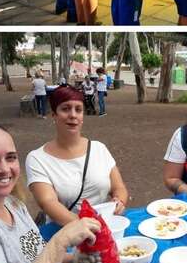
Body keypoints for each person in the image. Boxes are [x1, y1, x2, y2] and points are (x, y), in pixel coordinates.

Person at [0, 121, 102, 263]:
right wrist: (61, 240)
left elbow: (39, 257)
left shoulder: (13, 203)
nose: (5, 169)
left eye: (11, 157)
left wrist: (92, 257)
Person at [25, 86, 128, 225]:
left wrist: (119, 201)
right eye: (65, 109)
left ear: (82, 117)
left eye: (78, 110)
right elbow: (48, 203)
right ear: (54, 115)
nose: (73, 115)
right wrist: (87, 226)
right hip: (64, 233)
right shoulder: (37, 159)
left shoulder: (99, 149)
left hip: (104, 228)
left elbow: (118, 187)